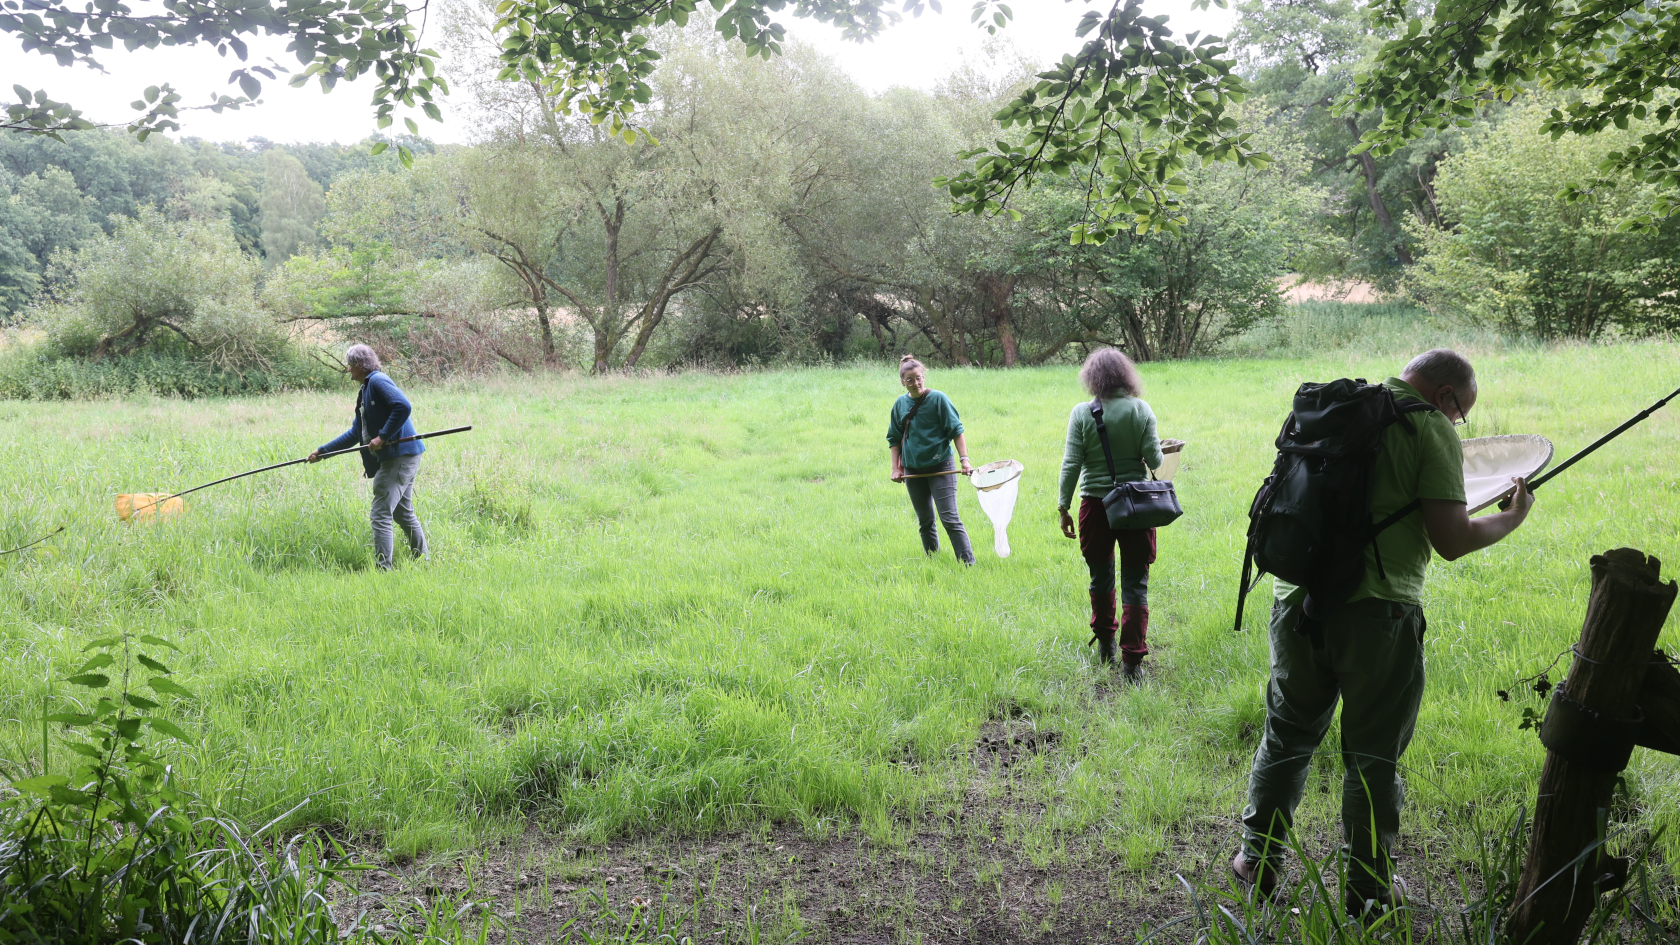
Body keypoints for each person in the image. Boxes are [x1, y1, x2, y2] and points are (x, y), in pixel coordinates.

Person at [1233, 349, 1535, 917]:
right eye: (1460, 413)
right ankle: (1368, 884)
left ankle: (1257, 859)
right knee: (1373, 754)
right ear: (1444, 394)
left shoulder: (1333, 410)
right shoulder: (1427, 429)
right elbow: (1452, 539)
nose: (1457, 424)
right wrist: (1513, 516)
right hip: (1378, 612)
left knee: (1287, 735)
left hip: (1295, 600)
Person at [1057, 348, 1164, 678]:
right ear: (1125, 376)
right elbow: (1156, 460)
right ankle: (1132, 662)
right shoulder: (1141, 409)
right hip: (1136, 506)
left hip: (1094, 506)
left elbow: (1072, 463)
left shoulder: (1081, 413)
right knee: (1135, 583)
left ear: (1092, 378)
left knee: (1100, 577)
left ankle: (1105, 643)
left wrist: (1063, 507)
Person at [308, 344, 429, 571]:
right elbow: (356, 433)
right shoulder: (365, 390)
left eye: (350, 365)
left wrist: (382, 437)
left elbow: (403, 406)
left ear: (360, 365)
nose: (348, 370)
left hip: (399, 456)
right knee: (402, 513)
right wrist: (323, 451)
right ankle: (423, 562)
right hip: (404, 456)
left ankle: (384, 570)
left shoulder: (377, 381)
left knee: (380, 513)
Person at [887, 355, 975, 565]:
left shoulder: (938, 399)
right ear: (902, 382)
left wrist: (964, 460)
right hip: (912, 470)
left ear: (923, 377)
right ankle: (933, 561)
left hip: (940, 465)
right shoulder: (900, 404)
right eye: (910, 380)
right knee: (925, 520)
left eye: (918, 378)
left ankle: (968, 564)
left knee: (949, 518)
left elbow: (957, 431)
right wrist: (895, 469)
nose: (915, 383)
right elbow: (894, 439)